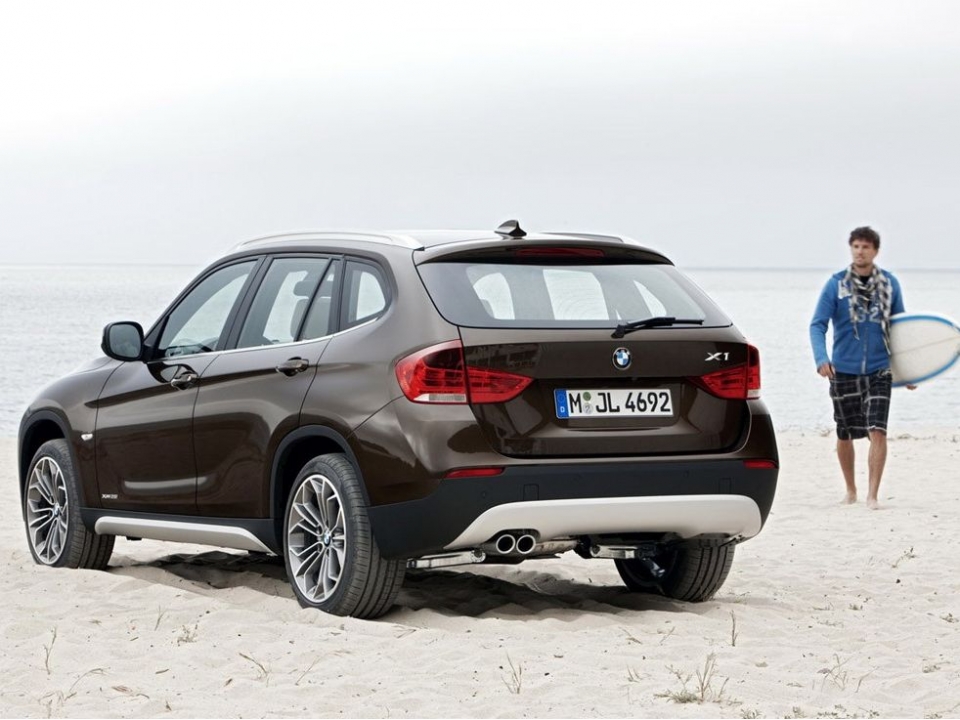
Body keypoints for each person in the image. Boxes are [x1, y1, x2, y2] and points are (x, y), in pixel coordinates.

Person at [809, 226, 915, 509]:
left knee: (877, 430)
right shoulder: (836, 284)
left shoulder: (889, 284)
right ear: (851, 248)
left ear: (875, 251)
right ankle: (851, 490)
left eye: (866, 247)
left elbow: (900, 328)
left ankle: (872, 495)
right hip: (843, 369)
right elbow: (818, 324)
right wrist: (821, 358)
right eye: (856, 246)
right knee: (844, 433)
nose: (860, 251)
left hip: (880, 370)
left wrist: (908, 369)